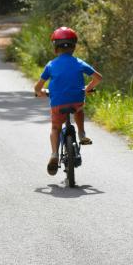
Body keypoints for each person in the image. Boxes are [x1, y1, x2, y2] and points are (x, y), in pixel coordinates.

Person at [34, 27, 103, 175]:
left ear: (55, 48)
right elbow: (98, 78)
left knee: (55, 128)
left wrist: (41, 93)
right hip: (76, 101)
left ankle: (54, 154)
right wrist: (87, 88)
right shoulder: (79, 63)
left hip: (58, 104)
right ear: (74, 46)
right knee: (79, 109)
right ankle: (82, 134)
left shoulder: (51, 65)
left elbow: (37, 87)